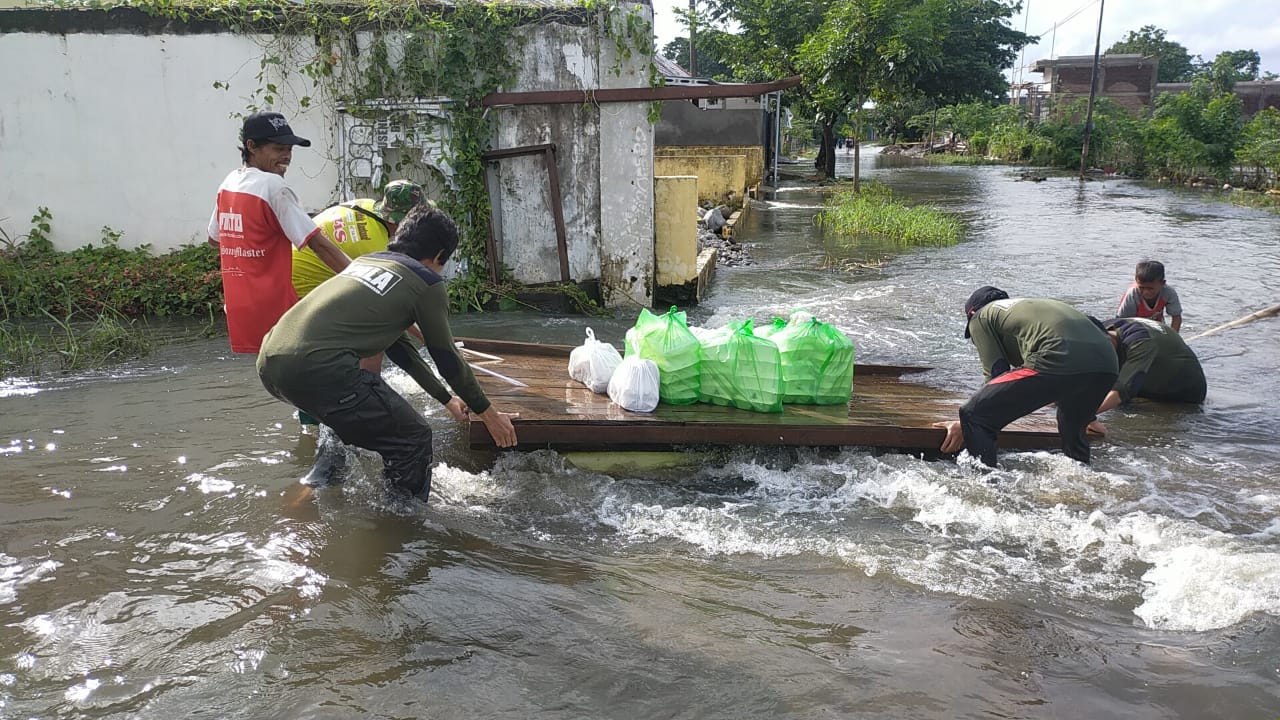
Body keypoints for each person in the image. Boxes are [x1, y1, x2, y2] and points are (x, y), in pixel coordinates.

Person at [256, 204, 519, 500]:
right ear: (439, 257)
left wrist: (447, 400)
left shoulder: (367, 262)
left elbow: (401, 348)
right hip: (320, 369)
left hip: (271, 362)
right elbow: (446, 357)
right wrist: (490, 414)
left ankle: (317, 487)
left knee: (345, 416)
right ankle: (402, 521)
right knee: (415, 437)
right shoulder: (426, 281)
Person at [207, 111, 350, 353]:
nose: (287, 157)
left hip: (242, 313)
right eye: (278, 149)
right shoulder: (274, 187)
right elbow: (318, 244)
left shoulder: (228, 184)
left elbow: (214, 239)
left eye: (290, 150)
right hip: (277, 312)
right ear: (251, 146)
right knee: (351, 344)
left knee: (281, 380)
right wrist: (362, 277)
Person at [933, 287, 1119, 467]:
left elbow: (996, 373)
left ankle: (986, 487)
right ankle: (1082, 483)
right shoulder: (1030, 308)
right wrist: (1087, 415)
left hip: (1058, 355)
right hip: (1108, 363)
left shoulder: (980, 317)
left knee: (974, 414)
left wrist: (965, 425)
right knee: (1070, 424)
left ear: (972, 312)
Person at [1088, 316, 1207, 434]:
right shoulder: (1103, 327)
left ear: (1107, 340)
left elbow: (1123, 389)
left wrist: (1084, 417)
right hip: (1149, 378)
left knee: (1129, 431)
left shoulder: (1140, 343)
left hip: (1181, 395)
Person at [1116, 260, 1182, 333]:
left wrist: (1173, 338)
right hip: (1133, 328)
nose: (1146, 292)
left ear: (1162, 283)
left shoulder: (1168, 293)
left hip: (1157, 326)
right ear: (1136, 281)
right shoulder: (1133, 294)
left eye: (1150, 288)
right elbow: (1122, 321)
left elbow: (1176, 318)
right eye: (1141, 288)